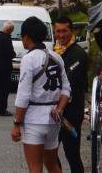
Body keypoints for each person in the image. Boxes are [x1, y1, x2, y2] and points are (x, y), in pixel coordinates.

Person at [11, 17, 70, 173]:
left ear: (27, 37)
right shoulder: (56, 57)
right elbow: (66, 89)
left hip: (34, 120)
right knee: (52, 165)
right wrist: (60, 108)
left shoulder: (29, 59)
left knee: (35, 168)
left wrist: (17, 123)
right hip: (53, 118)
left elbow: (23, 96)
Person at [54, 17, 88, 173]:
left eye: (64, 31)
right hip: (56, 110)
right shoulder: (55, 51)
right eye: (58, 31)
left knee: (72, 153)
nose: (61, 35)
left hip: (71, 112)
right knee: (50, 151)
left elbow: (68, 80)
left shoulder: (78, 53)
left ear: (72, 31)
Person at [0, 21, 16, 116]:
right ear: (10, 30)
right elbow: (10, 53)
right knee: (4, 89)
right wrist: (14, 54)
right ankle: (2, 110)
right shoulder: (6, 39)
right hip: (4, 68)